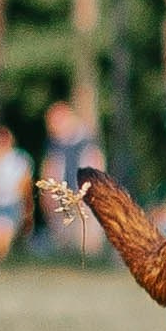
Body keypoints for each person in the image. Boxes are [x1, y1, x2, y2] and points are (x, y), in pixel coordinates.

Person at [34, 100, 105, 254]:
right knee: (63, 244)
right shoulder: (54, 145)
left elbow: (96, 169)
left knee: (86, 244)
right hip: (63, 199)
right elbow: (50, 169)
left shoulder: (87, 142)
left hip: (83, 199)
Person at [0, 123, 33, 261]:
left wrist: (27, 206)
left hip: (11, 202)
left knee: (4, 234)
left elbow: (25, 182)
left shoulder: (19, 159)